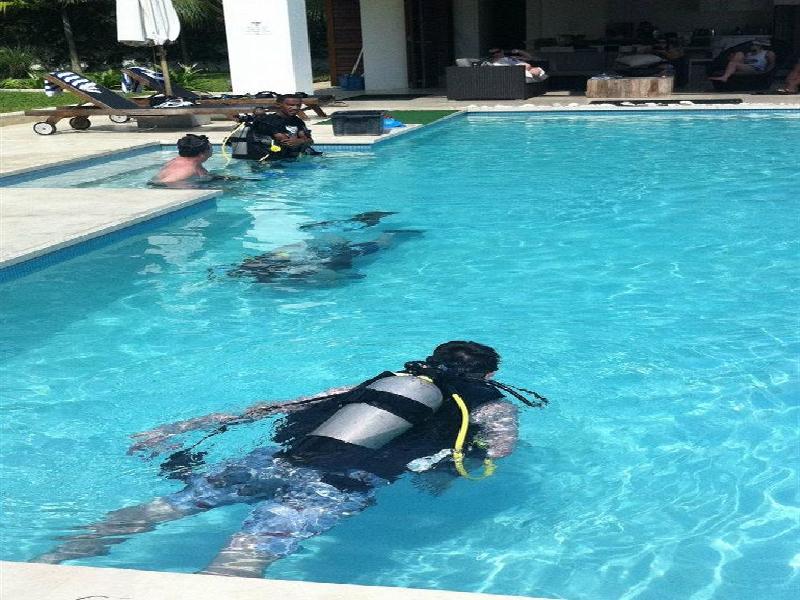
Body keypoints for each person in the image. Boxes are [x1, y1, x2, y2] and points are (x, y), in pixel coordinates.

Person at [33, 341, 547, 577]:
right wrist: (449, 472)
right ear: (489, 374)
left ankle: (48, 563)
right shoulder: (491, 403)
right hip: (339, 482)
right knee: (247, 552)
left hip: (276, 458)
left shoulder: (386, 382)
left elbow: (276, 406)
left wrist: (177, 428)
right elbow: (500, 449)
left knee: (164, 508)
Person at [225, 228, 423, 285]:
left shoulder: (291, 270)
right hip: (325, 256)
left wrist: (344, 278)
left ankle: (390, 234)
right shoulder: (274, 259)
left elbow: (327, 275)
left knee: (381, 245)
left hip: (335, 259)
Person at [709, 39, 776, 82]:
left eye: (754, 45)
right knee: (739, 54)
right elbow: (744, 62)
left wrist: (767, 74)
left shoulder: (767, 53)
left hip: (756, 68)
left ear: (759, 46)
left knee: (733, 64)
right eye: (751, 44)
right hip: (746, 66)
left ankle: (725, 77)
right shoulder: (749, 54)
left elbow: (772, 64)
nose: (751, 46)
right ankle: (729, 70)